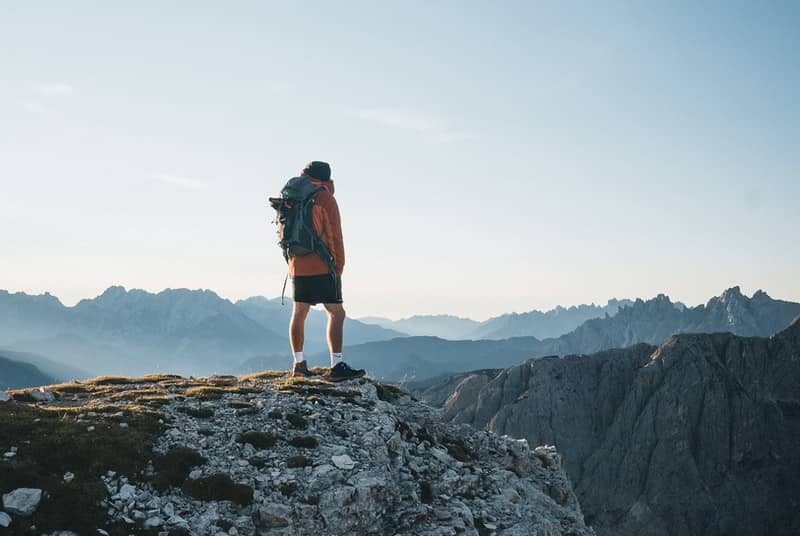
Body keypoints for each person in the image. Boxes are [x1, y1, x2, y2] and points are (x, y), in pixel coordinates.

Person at [287, 161, 365, 382]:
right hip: (322, 264)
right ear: (327, 179)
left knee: (299, 312)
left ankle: (298, 364)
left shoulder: (293, 196)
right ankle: (336, 365)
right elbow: (335, 236)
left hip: (297, 264)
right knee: (337, 313)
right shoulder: (324, 198)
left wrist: (293, 262)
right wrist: (338, 266)